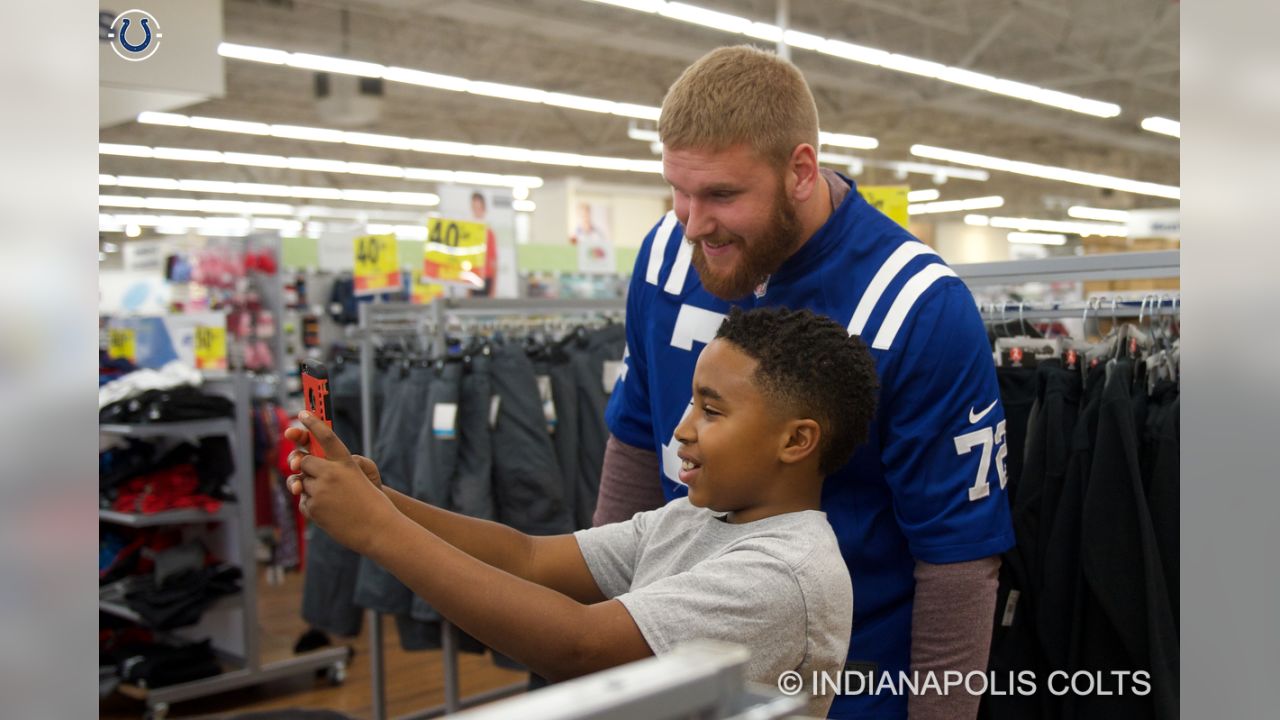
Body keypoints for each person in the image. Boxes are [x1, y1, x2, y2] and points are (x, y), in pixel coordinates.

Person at [596, 45, 1015, 719]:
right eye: (678, 189)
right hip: (677, 670)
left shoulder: (917, 307)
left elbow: (958, 562)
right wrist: (613, 667)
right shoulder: (666, 258)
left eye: (723, 195)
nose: (693, 222)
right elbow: (637, 442)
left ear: (800, 170)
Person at [284, 306, 880, 718]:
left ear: (796, 441)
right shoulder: (695, 518)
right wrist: (382, 499)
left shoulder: (784, 574)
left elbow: (580, 644)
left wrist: (377, 529)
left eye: (712, 411)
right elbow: (531, 557)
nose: (681, 429)